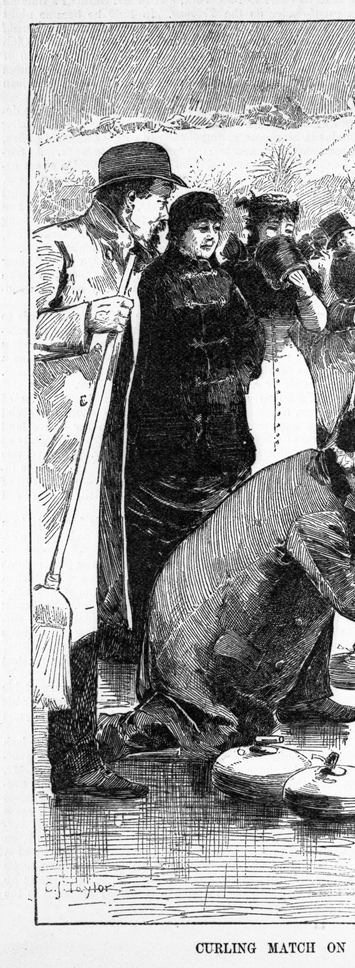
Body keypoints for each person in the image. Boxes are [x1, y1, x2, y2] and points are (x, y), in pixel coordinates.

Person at [98, 406, 355, 760]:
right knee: (219, 733)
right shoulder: (314, 507)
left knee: (313, 579)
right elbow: (352, 593)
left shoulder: (328, 472)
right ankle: (121, 731)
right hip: (195, 630)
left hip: (224, 606)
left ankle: (304, 696)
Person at [33, 141, 183, 796]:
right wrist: (85, 318)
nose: (164, 213)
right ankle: (74, 759)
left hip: (111, 452)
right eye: (159, 200)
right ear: (129, 199)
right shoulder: (57, 244)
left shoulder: (133, 259)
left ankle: (86, 740)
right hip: (57, 454)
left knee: (99, 596)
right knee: (67, 600)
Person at [122, 191, 264, 658]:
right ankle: (154, 643)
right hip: (170, 429)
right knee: (162, 536)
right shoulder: (153, 281)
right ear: (178, 230)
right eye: (200, 227)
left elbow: (250, 336)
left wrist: (239, 374)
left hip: (223, 425)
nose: (210, 236)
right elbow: (148, 356)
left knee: (216, 536)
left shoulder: (225, 281)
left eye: (215, 228)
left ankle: (206, 643)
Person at [228, 194, 355, 462]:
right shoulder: (237, 272)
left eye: (288, 230)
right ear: (255, 230)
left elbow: (319, 323)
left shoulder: (301, 270)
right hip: (250, 369)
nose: (279, 237)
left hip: (291, 366)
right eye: (272, 229)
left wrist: (306, 292)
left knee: (296, 443)